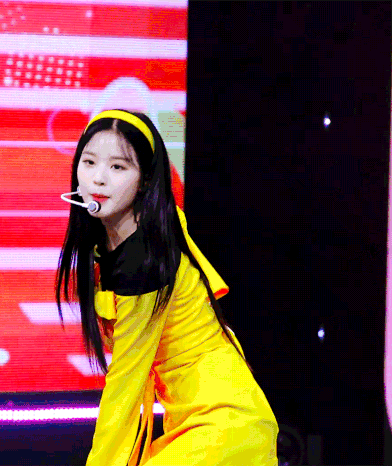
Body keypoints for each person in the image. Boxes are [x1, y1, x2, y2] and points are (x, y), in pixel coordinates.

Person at [56, 109, 279, 466]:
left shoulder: (144, 260)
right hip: (203, 421)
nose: (98, 178)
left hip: (225, 424)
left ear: (145, 180)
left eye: (118, 167)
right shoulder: (135, 237)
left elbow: (125, 389)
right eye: (89, 162)